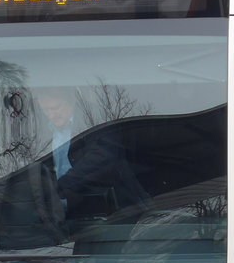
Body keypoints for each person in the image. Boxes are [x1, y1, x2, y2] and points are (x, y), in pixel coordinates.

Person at [34, 86, 149, 227]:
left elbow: (101, 157)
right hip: (69, 213)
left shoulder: (96, 117)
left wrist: (60, 188)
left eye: (56, 108)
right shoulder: (41, 130)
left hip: (113, 212)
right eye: (46, 110)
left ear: (71, 100)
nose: (52, 115)